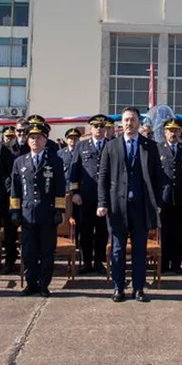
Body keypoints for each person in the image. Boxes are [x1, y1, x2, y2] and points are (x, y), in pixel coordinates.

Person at [97, 106, 161, 303]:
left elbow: (158, 177)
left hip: (140, 207)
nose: (128, 123)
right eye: (125, 120)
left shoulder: (149, 146)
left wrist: (156, 203)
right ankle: (118, 287)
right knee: (117, 249)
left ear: (138, 122)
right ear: (121, 123)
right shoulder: (111, 146)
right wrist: (102, 203)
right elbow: (104, 177)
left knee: (139, 250)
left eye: (132, 120)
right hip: (117, 207)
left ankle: (138, 288)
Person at [11, 120, 67, 296]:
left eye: (39, 138)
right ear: (28, 140)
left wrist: (59, 210)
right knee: (28, 251)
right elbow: (15, 188)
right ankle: (31, 283)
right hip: (28, 213)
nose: (35, 141)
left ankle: (44, 284)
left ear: (45, 140)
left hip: (47, 213)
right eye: (32, 137)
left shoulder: (55, 161)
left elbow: (60, 187)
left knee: (46, 251)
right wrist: (14, 210)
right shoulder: (20, 162)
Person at [68, 115, 110, 274]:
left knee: (102, 231)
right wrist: (75, 192)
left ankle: (99, 262)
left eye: (101, 126)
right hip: (85, 196)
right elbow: (74, 170)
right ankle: (86, 262)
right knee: (85, 231)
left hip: (104, 197)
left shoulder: (110, 145)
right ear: (91, 129)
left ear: (105, 129)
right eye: (96, 126)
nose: (99, 129)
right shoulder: (82, 146)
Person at [157, 118, 182, 273]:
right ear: (165, 132)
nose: (173, 133)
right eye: (170, 130)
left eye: (176, 130)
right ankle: (164, 264)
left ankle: (177, 264)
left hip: (180, 199)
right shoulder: (158, 149)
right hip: (163, 200)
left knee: (179, 233)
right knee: (164, 233)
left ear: (180, 132)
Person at [0, 125, 25, 271]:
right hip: (9, 195)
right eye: (18, 131)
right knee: (10, 231)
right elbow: (0, 172)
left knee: (28, 230)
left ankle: (28, 262)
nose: (21, 134)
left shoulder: (33, 148)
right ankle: (10, 261)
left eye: (25, 131)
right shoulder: (6, 148)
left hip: (29, 196)